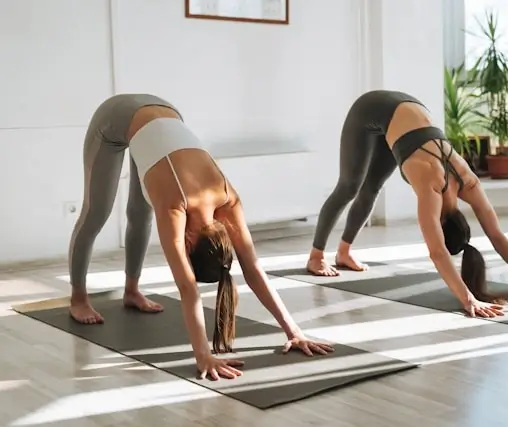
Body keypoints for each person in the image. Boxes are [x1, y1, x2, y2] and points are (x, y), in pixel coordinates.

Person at [69, 94, 334, 380]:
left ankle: (132, 292)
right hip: (116, 116)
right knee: (96, 212)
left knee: (140, 212)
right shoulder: (176, 205)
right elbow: (187, 289)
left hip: (165, 115)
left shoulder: (228, 201)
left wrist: (294, 332)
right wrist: (202, 355)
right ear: (191, 242)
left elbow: (253, 268)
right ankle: (78, 297)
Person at [306, 90, 508, 318]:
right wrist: (468, 299)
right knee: (350, 185)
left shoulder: (469, 182)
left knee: (373, 186)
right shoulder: (430, 186)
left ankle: (344, 253)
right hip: (371, 108)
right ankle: (316, 256)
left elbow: (497, 236)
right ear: (442, 225)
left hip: (405, 116)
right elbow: (437, 253)